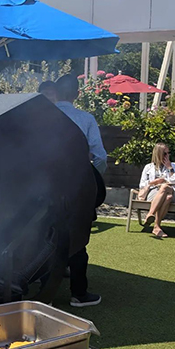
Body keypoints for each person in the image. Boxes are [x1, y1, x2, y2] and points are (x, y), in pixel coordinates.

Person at [55, 74, 105, 308]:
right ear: (76, 94)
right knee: (76, 238)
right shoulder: (84, 119)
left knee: (41, 235)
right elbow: (100, 157)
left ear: (55, 93)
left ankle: (42, 293)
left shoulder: (39, 120)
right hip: (76, 188)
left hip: (39, 187)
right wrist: (93, 181)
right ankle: (79, 293)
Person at [137, 143, 175, 238]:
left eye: (168, 153)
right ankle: (157, 226)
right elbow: (142, 184)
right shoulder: (148, 167)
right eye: (165, 154)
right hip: (154, 192)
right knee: (167, 197)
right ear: (158, 154)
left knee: (165, 187)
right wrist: (154, 182)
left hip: (172, 190)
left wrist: (170, 168)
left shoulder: (174, 166)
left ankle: (150, 214)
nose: (167, 156)